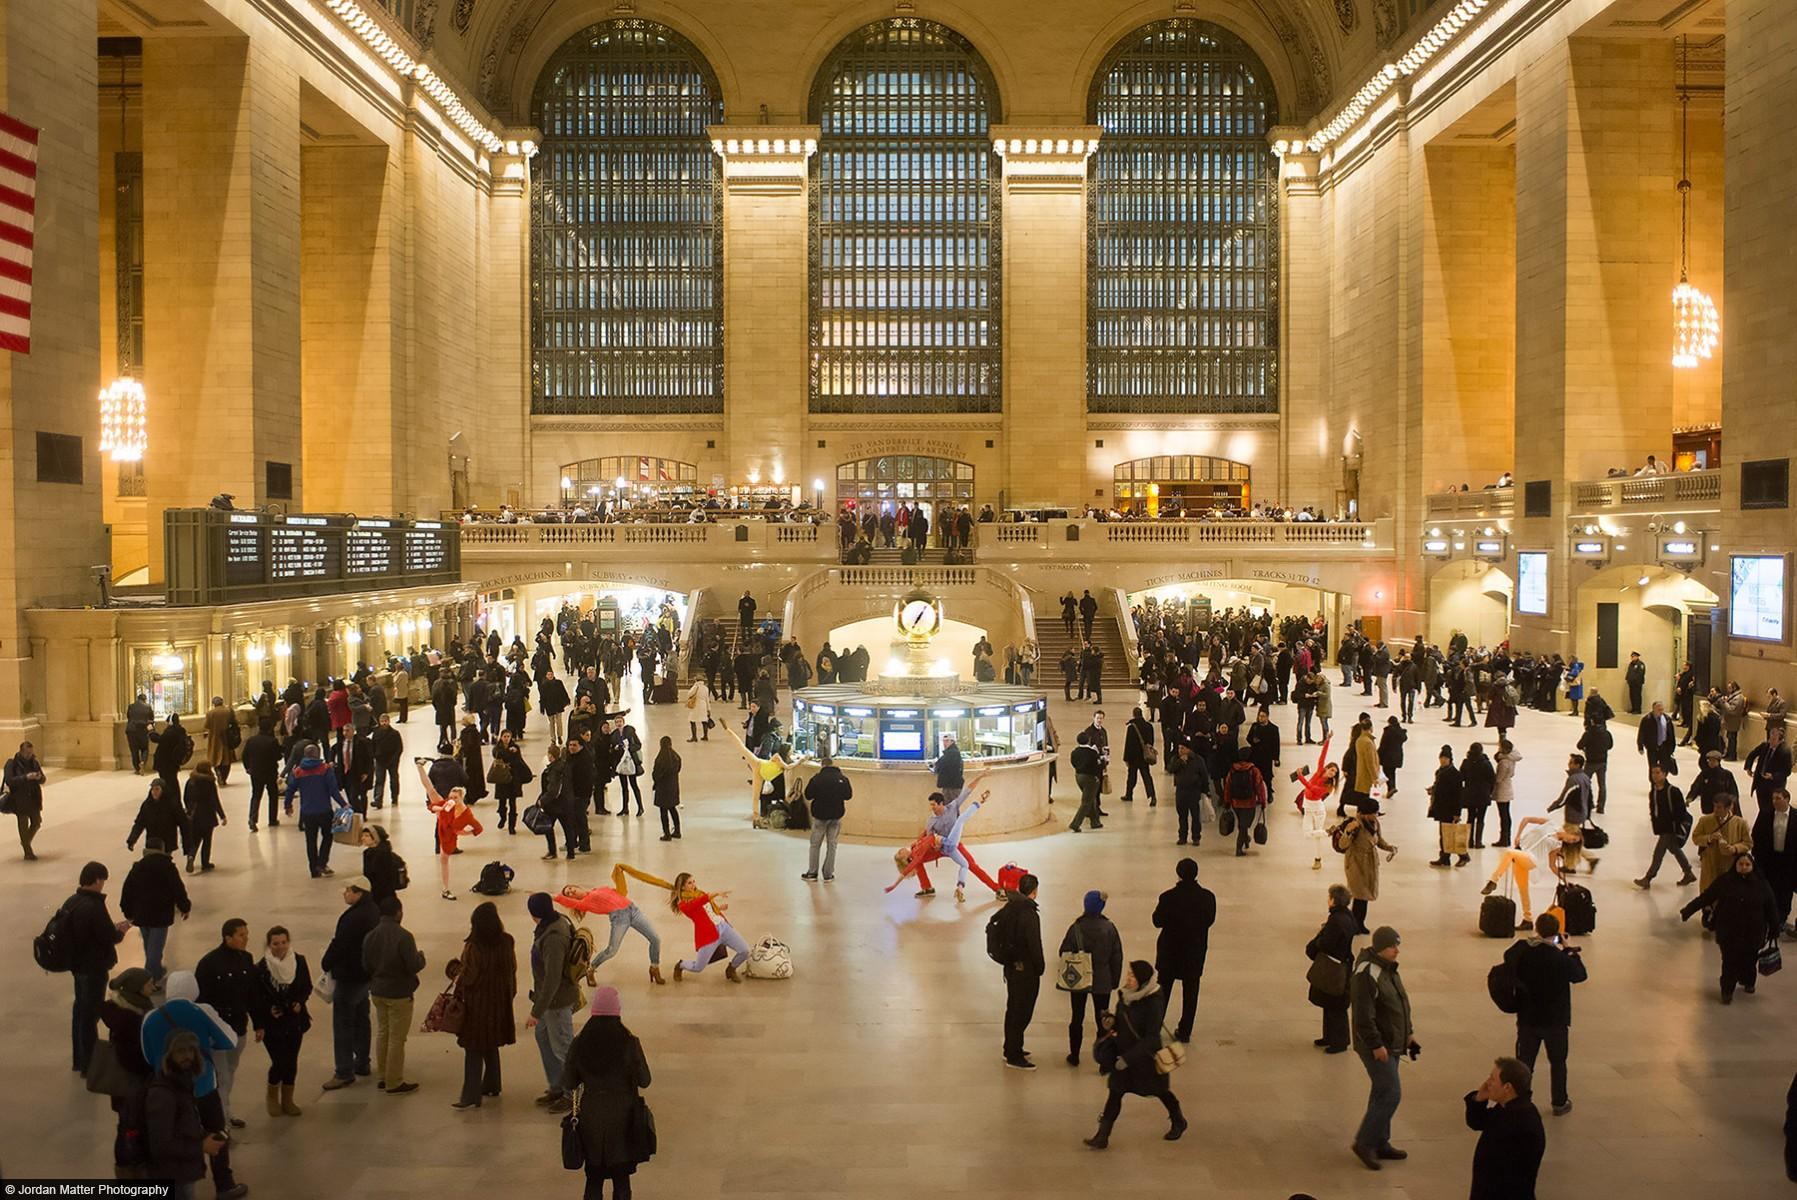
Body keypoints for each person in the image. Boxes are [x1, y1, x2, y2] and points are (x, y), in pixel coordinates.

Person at [140, 972, 245, 1199]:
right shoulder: (202, 1011)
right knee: (216, 1132)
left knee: (175, 1135)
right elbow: (229, 1040)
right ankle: (224, 1184)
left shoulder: (151, 1017)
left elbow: (147, 1056)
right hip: (204, 1086)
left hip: (167, 1089)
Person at [557, 986, 654, 1200]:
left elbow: (568, 1082)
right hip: (624, 1119)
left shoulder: (580, 1043)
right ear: (617, 1011)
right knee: (621, 1180)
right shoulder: (629, 1042)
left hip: (591, 1119)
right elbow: (645, 1080)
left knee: (593, 1178)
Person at [1082, 961, 1187, 1148]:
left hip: (1145, 1060)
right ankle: (1102, 1136)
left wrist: (1128, 1059)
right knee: (1115, 1093)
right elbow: (1122, 1023)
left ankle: (1178, 1119)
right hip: (1124, 1055)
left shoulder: (1153, 1002)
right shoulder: (1125, 996)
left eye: (1132, 976)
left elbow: (1152, 1038)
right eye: (1128, 974)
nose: (1128, 979)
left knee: (1160, 1091)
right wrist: (1111, 1022)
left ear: (1143, 982)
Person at [1349, 926, 1418, 1172]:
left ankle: (1380, 1141)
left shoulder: (1388, 968)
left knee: (1381, 1091)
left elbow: (1400, 1002)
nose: (1397, 951)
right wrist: (1376, 1044)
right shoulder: (1367, 973)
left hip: (1393, 1041)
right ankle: (1364, 1142)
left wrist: (1409, 1034)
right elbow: (1362, 1016)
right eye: (1393, 946)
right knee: (1391, 1092)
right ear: (1380, 948)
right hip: (1376, 1045)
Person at [1506, 912, 1587, 1116]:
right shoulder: (1560, 959)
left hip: (1528, 1018)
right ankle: (1559, 1102)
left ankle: (1520, 1101)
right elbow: (1580, 975)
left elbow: (1509, 956)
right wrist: (1569, 949)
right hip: (1555, 1021)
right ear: (1557, 933)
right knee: (1558, 1062)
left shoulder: (1524, 952)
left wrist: (1530, 942)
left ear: (1537, 929)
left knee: (1524, 1063)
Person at [1680, 851, 1778, 1003]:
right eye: (1741, 864)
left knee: (1749, 960)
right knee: (1729, 963)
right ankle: (1727, 990)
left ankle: (1748, 981)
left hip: (1753, 933)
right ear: (1735, 865)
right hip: (1729, 933)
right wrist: (1688, 910)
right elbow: (1707, 897)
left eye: (1747, 864)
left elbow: (1771, 907)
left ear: (1752, 866)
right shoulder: (1725, 881)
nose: (1744, 867)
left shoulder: (1761, 884)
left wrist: (1774, 928)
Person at [61, 860, 130, 1071]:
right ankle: (90, 1063)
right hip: (94, 967)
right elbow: (108, 936)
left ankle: (80, 1060)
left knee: (80, 1013)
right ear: (97, 880)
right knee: (90, 1015)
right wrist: (120, 931)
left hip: (78, 966)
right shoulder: (94, 905)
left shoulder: (71, 902)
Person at [448, 900, 518, 1108]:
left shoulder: (474, 947)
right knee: (491, 1043)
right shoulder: (507, 941)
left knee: (473, 1048)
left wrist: (453, 969)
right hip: (499, 1002)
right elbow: (511, 971)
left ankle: (470, 1096)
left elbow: (468, 977)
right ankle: (492, 1084)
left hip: (478, 1005)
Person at [144, 1030, 227, 1200]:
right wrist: (201, 1146)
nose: (187, 1056)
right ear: (169, 1056)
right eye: (180, 1051)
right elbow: (160, 1145)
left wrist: (206, 1137)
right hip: (173, 1176)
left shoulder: (182, 1084)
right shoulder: (164, 1094)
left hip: (182, 1171)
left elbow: (184, 1125)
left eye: (191, 1050)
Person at [195, 918, 258, 1128]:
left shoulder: (247, 959)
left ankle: (226, 1110)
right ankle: (220, 1123)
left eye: (246, 934)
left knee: (230, 1071)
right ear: (227, 937)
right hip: (218, 1030)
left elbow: (252, 995)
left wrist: (259, 1023)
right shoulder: (209, 964)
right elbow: (202, 1000)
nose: (246, 938)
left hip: (239, 1027)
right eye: (241, 935)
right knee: (221, 1075)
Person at [556, 866, 666, 984]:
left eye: (571, 888)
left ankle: (654, 968)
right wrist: (552, 897)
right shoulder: (585, 903)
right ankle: (590, 969)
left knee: (655, 939)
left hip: (633, 910)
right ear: (572, 899)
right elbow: (563, 900)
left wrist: (620, 873)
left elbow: (618, 892)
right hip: (619, 919)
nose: (571, 891)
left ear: (575, 886)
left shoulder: (597, 889)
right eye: (569, 894)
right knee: (612, 950)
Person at [362, 896, 425, 1095]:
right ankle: (394, 1081)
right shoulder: (404, 936)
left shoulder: (370, 936)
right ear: (398, 912)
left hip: (378, 991)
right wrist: (421, 957)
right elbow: (413, 965)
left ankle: (382, 1075)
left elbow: (366, 965)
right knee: (397, 1038)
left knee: (383, 1033)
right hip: (399, 993)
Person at [319, 877, 379, 1089]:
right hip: (364, 975)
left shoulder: (353, 917)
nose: (345, 893)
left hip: (349, 976)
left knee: (343, 1023)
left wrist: (325, 962)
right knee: (362, 1019)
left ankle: (344, 1071)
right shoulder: (373, 911)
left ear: (359, 892)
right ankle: (362, 1061)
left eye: (348, 890)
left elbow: (340, 944)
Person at [525, 892, 581, 1115]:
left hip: (557, 1002)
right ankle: (557, 1085)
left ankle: (572, 1094)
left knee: (563, 1047)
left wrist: (536, 1011)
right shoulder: (552, 923)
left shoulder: (554, 937)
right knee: (543, 1037)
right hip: (549, 1000)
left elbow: (553, 979)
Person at [1151, 858, 1215, 1044]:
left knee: (1163, 989)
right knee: (1191, 991)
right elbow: (1210, 920)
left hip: (1170, 951)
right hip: (1195, 951)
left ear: (1178, 873)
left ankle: (1155, 1027)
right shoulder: (1208, 898)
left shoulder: (1168, 897)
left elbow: (1157, 921)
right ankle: (1185, 1030)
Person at [1464, 1058, 1546, 1200]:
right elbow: (1477, 1123)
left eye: (1492, 1079)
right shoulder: (1507, 1107)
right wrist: (1479, 1099)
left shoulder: (1522, 1122)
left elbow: (1511, 1178)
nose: (1487, 1083)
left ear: (1507, 1087)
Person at [1059, 889, 1124, 1066]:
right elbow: (1116, 956)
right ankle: (1104, 1061)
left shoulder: (1076, 927)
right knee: (1103, 1019)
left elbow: (1062, 952)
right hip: (1102, 979)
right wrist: (1114, 980)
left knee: (1077, 1017)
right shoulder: (1109, 928)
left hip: (1079, 977)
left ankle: (1074, 1055)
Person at [253, 925, 311, 1117]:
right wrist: (268, 1010)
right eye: (275, 943)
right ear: (269, 945)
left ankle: (288, 1099)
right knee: (279, 1060)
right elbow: (255, 997)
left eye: (284, 942)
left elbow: (306, 986)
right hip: (273, 1023)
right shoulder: (261, 968)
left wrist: (299, 1003)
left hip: (294, 1020)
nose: (280, 947)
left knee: (292, 1060)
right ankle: (272, 1095)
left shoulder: (299, 962)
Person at [1481, 816, 1578, 929]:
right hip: (1522, 853)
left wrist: (1564, 880)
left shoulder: (1557, 845)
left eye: (1574, 842)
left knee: (1508, 853)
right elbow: (1526, 819)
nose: (1571, 842)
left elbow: (1552, 866)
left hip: (1532, 859)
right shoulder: (1551, 824)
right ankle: (1528, 919)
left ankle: (1493, 881)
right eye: (1573, 839)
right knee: (1523, 889)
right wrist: (1518, 835)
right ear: (1570, 831)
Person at [992, 871, 1044, 1069]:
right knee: (1022, 1012)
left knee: (1013, 1008)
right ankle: (1014, 1054)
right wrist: (1040, 967)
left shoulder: (1011, 907)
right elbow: (1034, 944)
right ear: (1034, 891)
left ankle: (1012, 1047)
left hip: (1011, 968)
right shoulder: (1029, 914)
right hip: (1026, 970)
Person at [119, 838, 191, 982]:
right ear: (162, 849)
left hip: (141, 914)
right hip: (160, 915)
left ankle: (156, 971)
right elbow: (178, 888)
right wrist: (184, 907)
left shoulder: (138, 867)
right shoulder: (167, 866)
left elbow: (127, 890)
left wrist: (128, 912)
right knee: (155, 951)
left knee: (149, 947)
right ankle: (149, 981)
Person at [418, 760, 483, 900]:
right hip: (443, 821)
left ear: (461, 798)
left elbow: (478, 828)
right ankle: (419, 766)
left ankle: (445, 888)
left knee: (444, 860)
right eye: (451, 797)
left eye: (455, 798)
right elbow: (432, 807)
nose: (452, 799)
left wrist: (463, 832)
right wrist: (439, 809)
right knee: (430, 789)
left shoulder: (467, 814)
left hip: (449, 836)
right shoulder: (448, 804)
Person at [1304, 884, 1358, 1053]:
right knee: (1330, 1002)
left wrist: (1319, 938)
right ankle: (1329, 1036)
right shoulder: (1346, 916)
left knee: (1335, 1005)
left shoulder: (1336, 920)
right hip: (1341, 963)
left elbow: (1327, 943)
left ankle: (1339, 1042)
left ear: (1334, 900)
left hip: (1335, 968)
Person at [284, 743, 351, 878]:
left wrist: (288, 805)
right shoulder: (325, 769)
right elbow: (333, 790)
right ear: (318, 754)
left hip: (307, 812)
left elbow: (290, 789)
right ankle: (322, 862)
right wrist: (344, 804)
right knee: (328, 836)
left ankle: (313, 870)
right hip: (324, 810)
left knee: (311, 840)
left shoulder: (298, 771)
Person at [669, 872, 750, 982]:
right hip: (708, 934)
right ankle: (681, 965)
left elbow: (707, 908)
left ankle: (731, 969)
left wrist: (719, 908)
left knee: (745, 950)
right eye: (689, 883)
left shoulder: (699, 893)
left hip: (723, 927)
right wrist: (715, 893)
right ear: (683, 887)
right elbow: (699, 903)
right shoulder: (683, 904)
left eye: (693, 881)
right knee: (698, 967)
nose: (693, 885)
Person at [1634, 762, 1697, 888]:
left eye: (1658, 773)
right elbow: (1654, 809)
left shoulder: (1673, 791)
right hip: (1663, 828)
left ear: (1665, 774)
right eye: (1653, 773)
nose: (1655, 776)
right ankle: (1688, 872)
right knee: (1674, 849)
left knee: (1658, 854)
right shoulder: (1654, 791)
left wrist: (1675, 825)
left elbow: (1680, 811)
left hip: (1670, 829)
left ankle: (1648, 878)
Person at [1342, 797, 1397, 934]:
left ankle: (1359, 923)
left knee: (1365, 896)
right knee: (1360, 894)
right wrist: (1348, 832)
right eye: (1373, 813)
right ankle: (1355, 924)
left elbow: (1379, 841)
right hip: (1356, 863)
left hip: (1370, 864)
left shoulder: (1375, 823)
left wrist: (1390, 848)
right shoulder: (1355, 825)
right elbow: (1343, 845)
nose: (1376, 815)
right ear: (1364, 813)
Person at [1753, 789, 1797, 935]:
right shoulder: (1765, 814)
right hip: (1769, 860)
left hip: (1789, 862)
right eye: (1773, 798)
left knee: (1785, 891)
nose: (1774, 801)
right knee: (1768, 889)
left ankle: (1781, 918)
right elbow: (1756, 835)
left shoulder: (1796, 816)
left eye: (1778, 798)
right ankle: (1768, 917)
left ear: (1787, 799)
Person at [801, 752, 851, 880]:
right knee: (832, 845)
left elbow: (808, 795)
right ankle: (828, 874)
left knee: (815, 844)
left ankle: (812, 872)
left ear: (822, 765)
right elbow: (848, 795)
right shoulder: (843, 779)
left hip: (820, 815)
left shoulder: (817, 779)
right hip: (836, 816)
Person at [180, 762, 227, 875]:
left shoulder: (190, 781)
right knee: (207, 840)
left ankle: (191, 856)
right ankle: (205, 863)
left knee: (195, 839)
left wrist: (189, 809)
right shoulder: (209, 782)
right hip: (207, 815)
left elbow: (185, 797)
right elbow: (214, 800)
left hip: (194, 815)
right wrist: (222, 815)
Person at [1427, 745, 1468, 868]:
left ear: (1450, 759)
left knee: (1450, 834)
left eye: (1445, 758)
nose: (1443, 760)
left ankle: (1463, 855)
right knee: (1445, 834)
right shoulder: (1440, 771)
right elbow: (1439, 787)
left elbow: (1458, 795)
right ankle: (1444, 857)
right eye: (1441, 758)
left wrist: (1457, 813)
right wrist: (1433, 789)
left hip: (1449, 809)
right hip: (1441, 807)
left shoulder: (1454, 774)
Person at [5, 739, 46, 859]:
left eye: (31, 753)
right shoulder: (12, 763)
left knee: (36, 822)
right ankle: (28, 851)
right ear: (21, 752)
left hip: (33, 798)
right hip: (20, 799)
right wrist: (25, 777)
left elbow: (43, 779)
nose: (30, 755)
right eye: (27, 753)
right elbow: (10, 780)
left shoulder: (34, 762)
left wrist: (38, 777)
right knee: (23, 824)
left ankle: (25, 842)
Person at [239, 722, 281, 831]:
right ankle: (272, 819)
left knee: (256, 795)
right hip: (270, 772)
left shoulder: (251, 740)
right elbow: (278, 756)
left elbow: (244, 755)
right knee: (273, 795)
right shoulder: (272, 741)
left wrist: (247, 767)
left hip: (256, 772)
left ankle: (252, 819)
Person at [1171, 742, 1211, 848]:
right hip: (1181, 791)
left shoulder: (1198, 760)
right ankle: (1182, 837)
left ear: (1188, 749)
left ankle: (1196, 837)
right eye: (1179, 748)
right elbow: (1171, 769)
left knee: (1195, 816)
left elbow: (1204, 775)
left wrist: (1206, 790)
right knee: (1182, 816)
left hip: (1194, 791)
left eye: (1182, 748)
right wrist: (1180, 762)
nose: (1180, 750)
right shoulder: (1176, 759)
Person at [1747, 725, 1793, 815]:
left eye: (1773, 740)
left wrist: (1773, 776)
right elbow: (1752, 754)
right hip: (1760, 782)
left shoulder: (1785, 752)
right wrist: (1748, 767)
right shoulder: (1765, 746)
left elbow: (1787, 771)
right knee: (1762, 807)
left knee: (1771, 809)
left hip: (1774, 785)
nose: (1770, 742)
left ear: (1780, 741)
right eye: (1770, 739)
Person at [1068, 731, 1104, 833]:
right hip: (1090, 778)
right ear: (1088, 741)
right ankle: (1075, 823)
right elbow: (1098, 766)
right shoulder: (1092, 753)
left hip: (1079, 777)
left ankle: (1095, 821)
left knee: (1091, 798)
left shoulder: (1074, 752)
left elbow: (1073, 763)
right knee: (1086, 802)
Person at [1122, 707, 1157, 805]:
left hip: (1133, 757)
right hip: (1144, 757)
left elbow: (1128, 744)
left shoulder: (1131, 727)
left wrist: (1126, 759)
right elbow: (1151, 742)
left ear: (1134, 715)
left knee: (1132, 776)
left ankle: (1129, 794)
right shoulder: (1149, 726)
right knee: (1147, 776)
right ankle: (1152, 796)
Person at [369, 713, 404, 810]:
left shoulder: (395, 734)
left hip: (392, 761)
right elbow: (373, 746)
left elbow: (399, 748)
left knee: (394, 779)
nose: (384, 723)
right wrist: (374, 756)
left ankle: (394, 797)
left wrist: (395, 759)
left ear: (389, 721)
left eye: (385, 721)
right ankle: (378, 800)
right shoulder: (376, 733)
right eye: (382, 721)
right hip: (380, 760)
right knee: (379, 780)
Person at [203, 697, 237, 786]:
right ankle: (224, 777)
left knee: (215, 759)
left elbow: (207, 725)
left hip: (215, 738)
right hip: (227, 738)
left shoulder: (210, 713)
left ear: (214, 703)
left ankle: (219, 776)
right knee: (227, 759)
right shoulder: (229, 711)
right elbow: (234, 722)